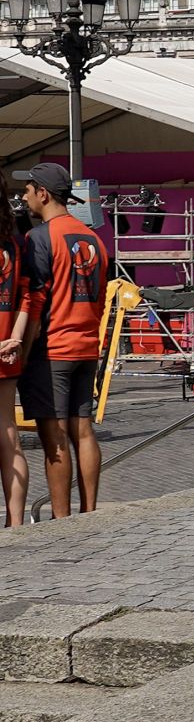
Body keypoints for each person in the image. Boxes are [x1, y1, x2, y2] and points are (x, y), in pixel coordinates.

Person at [12, 163, 107, 518]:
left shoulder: (40, 238)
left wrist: (23, 351)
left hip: (53, 349)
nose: (24, 197)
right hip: (86, 347)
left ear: (43, 193)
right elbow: (100, 297)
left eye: (28, 190)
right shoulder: (94, 238)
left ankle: (62, 520)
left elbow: (35, 302)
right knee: (83, 431)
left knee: (54, 435)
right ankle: (90, 511)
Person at [0, 191, 34, 527]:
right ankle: (16, 523)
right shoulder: (15, 243)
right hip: (8, 346)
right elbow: (27, 296)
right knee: (8, 432)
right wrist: (16, 338)